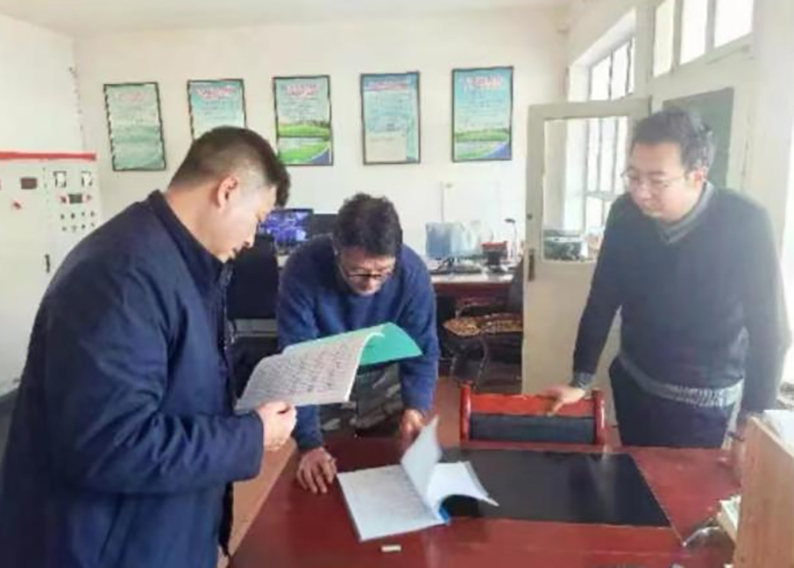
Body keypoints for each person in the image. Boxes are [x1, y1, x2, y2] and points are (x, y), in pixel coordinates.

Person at [0, 127, 297, 568]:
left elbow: (179, 389)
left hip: (156, 530)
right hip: (104, 546)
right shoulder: (121, 275)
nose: (253, 239)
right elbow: (112, 444)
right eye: (257, 218)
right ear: (227, 190)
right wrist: (252, 436)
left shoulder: (179, 260)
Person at [544, 109, 790, 448]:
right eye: (633, 177)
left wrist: (753, 419)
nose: (641, 192)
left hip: (701, 402)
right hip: (633, 381)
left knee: (684, 481)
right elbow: (602, 298)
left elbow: (770, 330)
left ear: (696, 175)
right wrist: (580, 380)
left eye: (657, 181)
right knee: (632, 471)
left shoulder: (744, 222)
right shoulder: (625, 213)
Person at [278, 193, 439, 494]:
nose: (371, 283)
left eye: (383, 273)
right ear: (336, 250)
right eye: (359, 272)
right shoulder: (303, 268)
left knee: (393, 478)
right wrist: (309, 444)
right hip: (324, 381)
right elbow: (297, 360)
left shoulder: (411, 272)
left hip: (385, 384)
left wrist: (416, 408)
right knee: (324, 480)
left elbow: (423, 350)